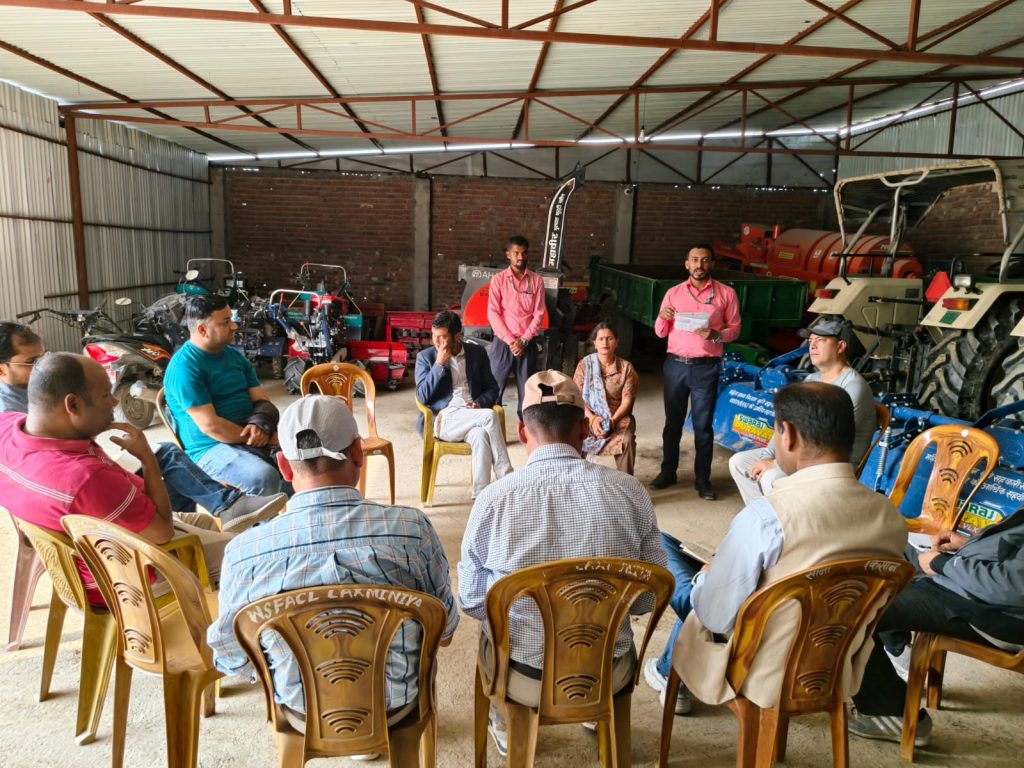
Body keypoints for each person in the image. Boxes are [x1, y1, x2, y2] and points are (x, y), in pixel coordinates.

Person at [644, 382, 907, 717]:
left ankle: (668, 673)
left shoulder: (768, 517)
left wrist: (705, 580)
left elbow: (714, 616)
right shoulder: (891, 518)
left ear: (789, 435)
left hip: (759, 665)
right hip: (836, 663)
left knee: (663, 545)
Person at [208, 395, 459, 744]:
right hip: (397, 705)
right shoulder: (411, 531)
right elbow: (444, 630)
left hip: (301, 709)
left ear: (283, 466)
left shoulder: (243, 552)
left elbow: (229, 655)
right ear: (358, 453)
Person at [458, 370, 666, 756]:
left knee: (492, 626)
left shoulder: (493, 500)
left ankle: (504, 718)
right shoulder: (630, 492)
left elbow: (472, 601)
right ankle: (596, 713)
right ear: (585, 429)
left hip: (525, 674)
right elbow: (646, 600)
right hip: (608, 669)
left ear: (523, 433)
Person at [0, 321, 285, 533]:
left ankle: (201, 514)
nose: (42, 366)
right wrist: (144, 459)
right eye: (32, 361)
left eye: (44, 355)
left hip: (76, 491)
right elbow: (160, 533)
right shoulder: (16, 418)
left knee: (169, 460)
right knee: (166, 460)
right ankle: (204, 517)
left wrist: (260, 422)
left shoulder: (12, 423)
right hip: (123, 538)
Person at [0, 353, 235, 605]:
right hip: (123, 580)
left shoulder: (6, 425)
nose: (114, 402)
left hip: (88, 558)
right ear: (73, 405)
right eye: (105, 395)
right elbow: (163, 533)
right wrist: (148, 460)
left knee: (204, 522)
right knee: (248, 555)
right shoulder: (86, 477)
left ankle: (221, 581)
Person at [847, 512, 1024, 747]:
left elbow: (1010, 588)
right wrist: (968, 545)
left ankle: (889, 713)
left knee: (855, 610)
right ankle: (897, 649)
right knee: (883, 556)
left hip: (987, 611)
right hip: (970, 587)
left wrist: (940, 563)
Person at [728, 314, 876, 504]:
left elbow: (827, 441)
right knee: (739, 463)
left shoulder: (852, 386)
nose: (812, 346)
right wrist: (767, 456)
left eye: (821, 340)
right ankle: (767, 515)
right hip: (805, 452)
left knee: (771, 476)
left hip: (833, 462)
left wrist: (776, 463)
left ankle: (785, 519)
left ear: (840, 346)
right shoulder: (812, 380)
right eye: (811, 341)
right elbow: (787, 424)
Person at [163, 294, 285, 496]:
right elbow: (211, 426)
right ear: (202, 330)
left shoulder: (234, 356)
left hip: (247, 433)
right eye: (226, 322)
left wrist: (260, 425)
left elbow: (261, 400)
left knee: (308, 458)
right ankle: (255, 517)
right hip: (210, 446)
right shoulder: (185, 367)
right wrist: (262, 438)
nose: (234, 326)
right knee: (263, 477)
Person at [651, 245, 741, 500]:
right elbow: (660, 332)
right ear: (687, 264)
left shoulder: (726, 293)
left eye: (704, 260)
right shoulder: (673, 293)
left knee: (703, 426)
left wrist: (717, 334)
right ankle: (668, 472)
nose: (699, 265)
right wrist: (662, 316)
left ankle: (703, 479)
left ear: (711, 264)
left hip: (706, 367)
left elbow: (736, 328)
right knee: (673, 424)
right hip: (676, 366)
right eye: (694, 260)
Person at [415, 310, 512, 498]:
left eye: (442, 337)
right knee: (490, 416)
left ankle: (481, 496)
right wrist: (439, 365)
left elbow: (492, 388)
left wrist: (479, 403)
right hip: (443, 419)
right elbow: (422, 397)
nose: (437, 342)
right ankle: (506, 478)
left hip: (471, 416)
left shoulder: (477, 353)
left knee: (481, 436)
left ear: (457, 336)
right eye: (434, 336)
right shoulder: (426, 357)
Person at [486, 234, 546, 421]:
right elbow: (493, 313)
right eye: (516, 253)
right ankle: (490, 427)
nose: (521, 257)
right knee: (494, 389)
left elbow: (539, 314)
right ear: (508, 255)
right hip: (503, 344)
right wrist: (512, 341)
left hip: (527, 344)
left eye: (524, 253)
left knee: (528, 394)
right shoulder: (499, 280)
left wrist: (524, 340)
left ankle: (526, 429)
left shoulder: (536, 281)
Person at [572, 322, 639, 475]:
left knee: (627, 439)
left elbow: (627, 401)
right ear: (594, 343)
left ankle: (626, 483)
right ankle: (576, 479)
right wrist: (593, 419)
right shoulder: (584, 365)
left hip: (617, 417)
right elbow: (577, 397)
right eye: (601, 339)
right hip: (588, 416)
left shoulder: (626, 368)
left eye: (610, 338)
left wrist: (612, 422)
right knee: (572, 434)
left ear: (617, 342)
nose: (605, 342)